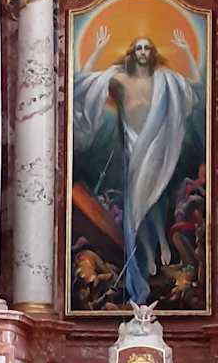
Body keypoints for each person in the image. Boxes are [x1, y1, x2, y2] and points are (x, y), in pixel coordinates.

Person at [73, 26, 202, 304]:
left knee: (156, 198)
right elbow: (84, 84)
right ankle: (145, 259)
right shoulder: (120, 79)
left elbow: (195, 88)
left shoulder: (165, 79)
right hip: (133, 148)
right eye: (138, 48)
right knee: (134, 208)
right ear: (132, 53)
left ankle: (161, 244)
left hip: (156, 147)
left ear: (152, 53)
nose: (143, 52)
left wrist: (187, 53)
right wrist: (97, 49)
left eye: (147, 48)